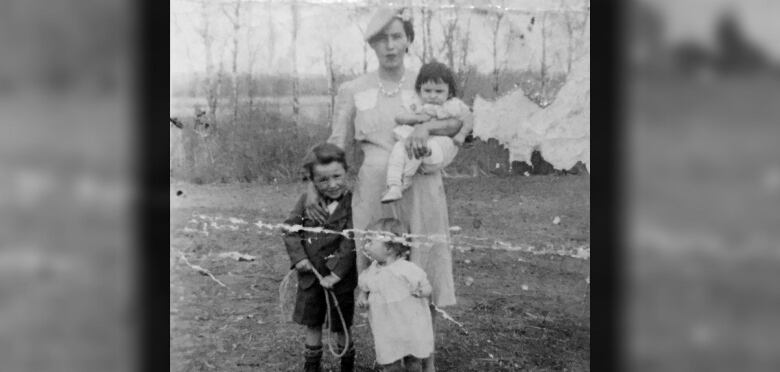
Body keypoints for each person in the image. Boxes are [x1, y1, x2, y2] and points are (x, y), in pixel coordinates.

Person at [305, 7, 466, 371]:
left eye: (397, 36)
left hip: (422, 188)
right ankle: (390, 354)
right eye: (382, 38)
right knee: (381, 272)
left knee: (424, 268)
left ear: (408, 39)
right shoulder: (353, 89)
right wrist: (313, 186)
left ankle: (425, 358)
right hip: (375, 191)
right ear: (371, 44)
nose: (390, 45)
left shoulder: (426, 81)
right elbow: (335, 144)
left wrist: (428, 133)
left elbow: (458, 126)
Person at [283, 143, 357, 372]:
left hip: (340, 282)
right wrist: (299, 258)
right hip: (310, 278)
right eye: (323, 180)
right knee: (312, 323)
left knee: (341, 325)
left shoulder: (354, 203)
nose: (332, 184)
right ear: (312, 180)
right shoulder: (307, 202)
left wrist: (336, 274)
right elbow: (289, 228)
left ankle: (346, 365)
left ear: (346, 172)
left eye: (337, 176)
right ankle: (312, 366)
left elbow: (350, 241)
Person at [381, 61, 473, 203]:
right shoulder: (417, 103)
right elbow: (399, 116)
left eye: (439, 91)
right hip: (418, 144)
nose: (433, 96)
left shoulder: (453, 104)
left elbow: (469, 118)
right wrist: (418, 117)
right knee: (399, 149)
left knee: (424, 147)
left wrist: (461, 134)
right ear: (420, 89)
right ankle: (394, 185)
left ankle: (407, 177)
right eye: (427, 91)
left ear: (449, 92)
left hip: (439, 147)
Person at [357, 218, 434, 372]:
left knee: (413, 360)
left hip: (409, 326)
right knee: (390, 361)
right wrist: (362, 297)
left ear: (389, 248)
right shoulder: (372, 270)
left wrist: (421, 292)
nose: (366, 246)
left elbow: (426, 287)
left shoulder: (407, 269)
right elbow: (364, 286)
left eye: (371, 242)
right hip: (386, 327)